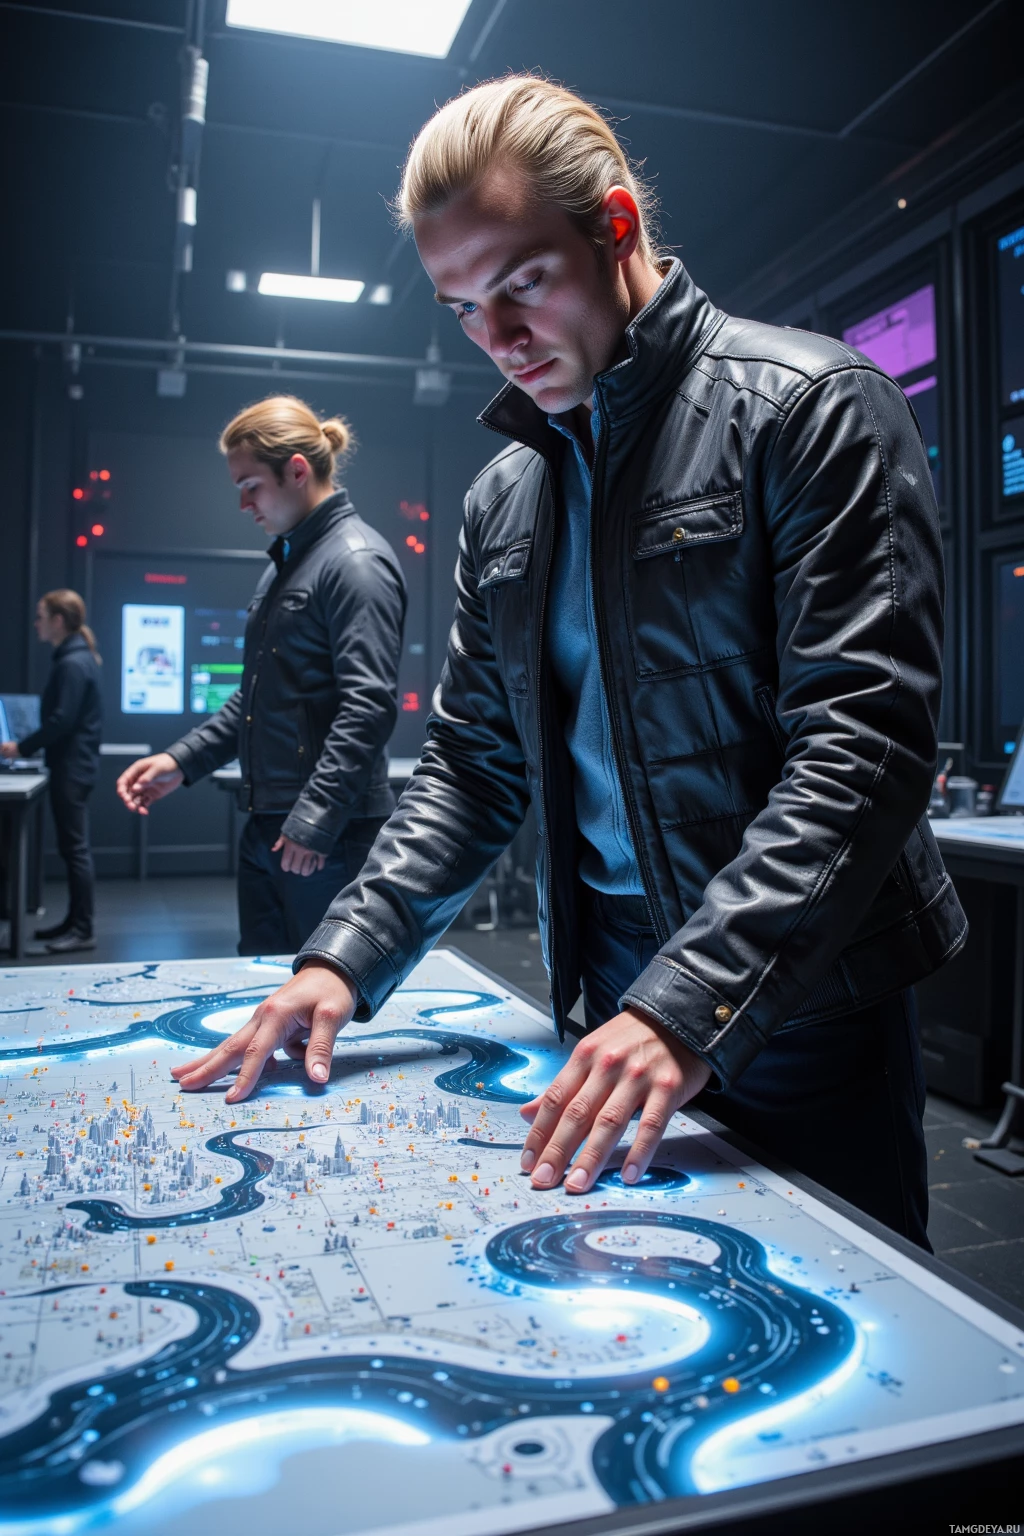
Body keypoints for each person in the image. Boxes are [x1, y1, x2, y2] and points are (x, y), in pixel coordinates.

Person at [170, 79, 966, 1248]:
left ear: (617, 227)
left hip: (800, 999)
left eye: (522, 285)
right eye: (459, 308)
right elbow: (473, 760)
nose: (495, 340)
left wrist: (690, 1005)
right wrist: (346, 953)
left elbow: (863, 748)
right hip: (609, 985)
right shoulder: (509, 493)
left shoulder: (809, 409)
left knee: (858, 1345)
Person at [116, 396, 406, 954]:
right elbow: (249, 703)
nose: (244, 504)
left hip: (325, 836)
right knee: (264, 990)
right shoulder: (286, 565)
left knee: (324, 1010)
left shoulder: (355, 562)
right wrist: (180, 761)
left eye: (251, 485)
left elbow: (368, 707)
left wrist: (315, 820)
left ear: (296, 470)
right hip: (273, 823)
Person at [1, 590, 103, 952]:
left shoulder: (72, 663)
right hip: (74, 767)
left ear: (58, 621)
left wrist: (20, 747)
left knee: (74, 849)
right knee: (73, 847)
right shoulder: (77, 658)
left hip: (71, 769)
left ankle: (82, 928)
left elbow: (61, 720)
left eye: (41, 616)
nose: (36, 623)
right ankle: (74, 923)